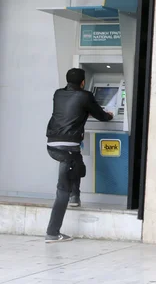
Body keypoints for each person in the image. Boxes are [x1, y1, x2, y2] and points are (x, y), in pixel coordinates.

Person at [45, 68, 113, 243]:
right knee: (62, 190)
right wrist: (109, 115)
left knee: (77, 162)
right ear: (83, 82)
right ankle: (53, 232)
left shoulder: (58, 93)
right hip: (67, 146)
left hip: (52, 143)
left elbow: (68, 112)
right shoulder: (85, 96)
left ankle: (75, 197)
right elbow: (101, 116)